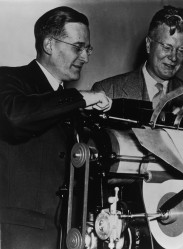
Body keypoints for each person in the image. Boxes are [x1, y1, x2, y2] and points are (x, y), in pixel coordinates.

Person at [0, 6, 112, 249]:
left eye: (87, 48)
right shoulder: (8, 79)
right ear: (49, 45)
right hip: (17, 236)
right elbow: (15, 117)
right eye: (78, 47)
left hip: (65, 234)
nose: (85, 57)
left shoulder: (70, 102)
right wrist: (80, 98)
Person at [92, 5, 183, 118]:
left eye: (181, 50)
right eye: (167, 47)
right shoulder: (107, 91)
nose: (174, 57)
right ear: (148, 44)